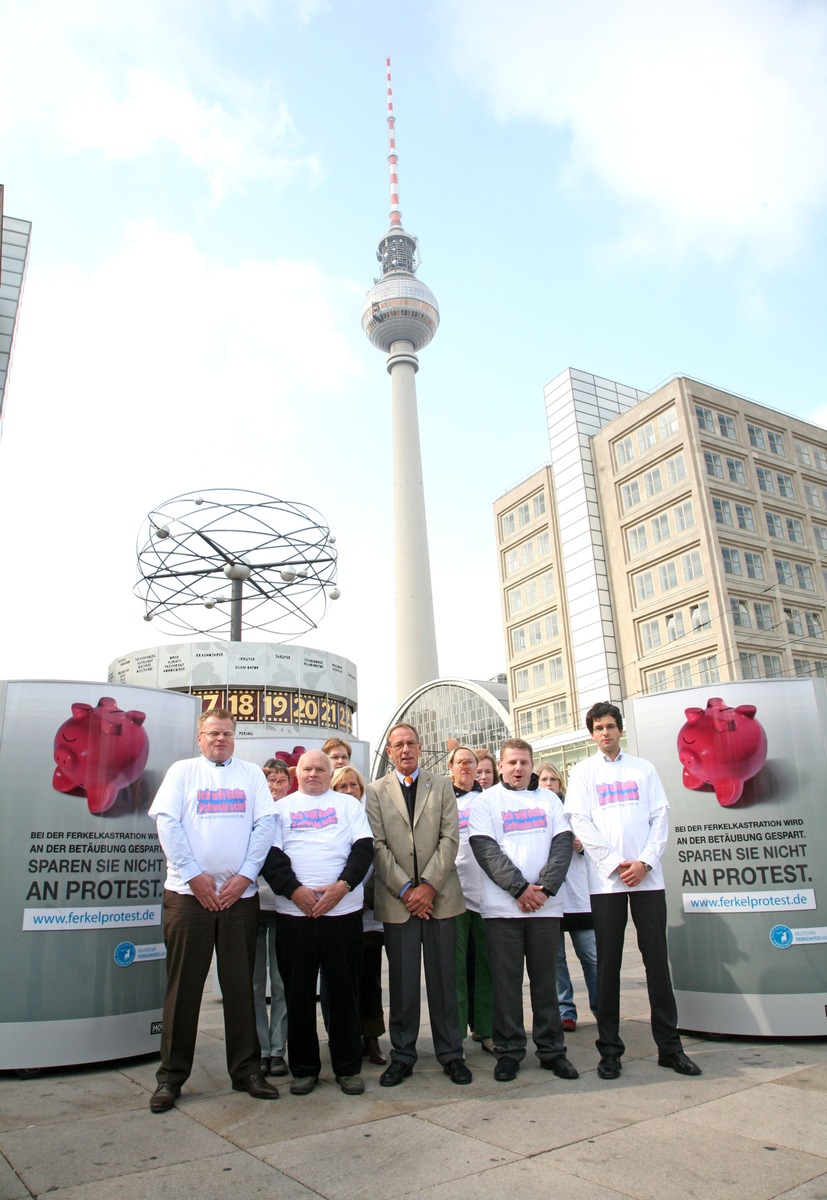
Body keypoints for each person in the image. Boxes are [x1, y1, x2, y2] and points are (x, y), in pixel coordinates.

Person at [147, 709, 280, 1113]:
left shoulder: (251, 775)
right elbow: (168, 824)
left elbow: (265, 826)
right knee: (183, 988)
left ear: (234, 737)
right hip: (189, 898)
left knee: (242, 987)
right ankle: (170, 1078)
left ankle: (246, 1071)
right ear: (199, 737)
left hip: (238, 898)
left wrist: (245, 877)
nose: (220, 739)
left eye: (227, 733)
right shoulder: (182, 772)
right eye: (212, 733)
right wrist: (194, 876)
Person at [566, 701, 702, 1080]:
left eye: (610, 726)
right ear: (591, 734)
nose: (605, 733)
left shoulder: (644, 769)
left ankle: (670, 1048)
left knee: (657, 962)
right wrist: (613, 864)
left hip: (648, 879)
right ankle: (610, 1052)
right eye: (598, 728)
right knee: (607, 966)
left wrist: (643, 862)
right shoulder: (583, 773)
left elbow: (660, 818)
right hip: (607, 883)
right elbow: (581, 821)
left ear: (620, 729)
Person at [261, 750, 374, 1096]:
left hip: (342, 916)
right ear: (298, 774)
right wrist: (296, 892)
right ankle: (304, 1068)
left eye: (320, 769)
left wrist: (340, 889)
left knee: (343, 994)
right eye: (307, 769)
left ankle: (347, 1067)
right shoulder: (279, 810)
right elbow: (271, 857)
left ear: (330, 773)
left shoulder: (348, 806)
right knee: (297, 995)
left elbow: (364, 850)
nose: (313, 774)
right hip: (295, 917)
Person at [365, 723, 471, 1087]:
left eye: (411, 743)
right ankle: (403, 1055)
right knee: (403, 984)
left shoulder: (441, 786)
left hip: (440, 899)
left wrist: (427, 886)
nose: (405, 749)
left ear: (421, 748)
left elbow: (449, 837)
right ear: (390, 752)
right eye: (398, 745)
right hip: (399, 903)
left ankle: (451, 1053)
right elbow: (377, 846)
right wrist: (407, 890)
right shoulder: (376, 791)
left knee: (444, 981)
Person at [469, 738, 577, 1083]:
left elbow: (562, 847)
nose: (518, 769)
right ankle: (509, 1051)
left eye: (524, 763)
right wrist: (519, 889)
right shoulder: (487, 802)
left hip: (546, 908)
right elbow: (486, 851)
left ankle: (551, 1051)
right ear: (500, 766)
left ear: (533, 766)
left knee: (546, 983)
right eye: (512, 763)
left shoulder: (550, 800)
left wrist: (542, 889)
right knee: (506, 985)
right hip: (503, 910)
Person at [332, 764, 387, 1066]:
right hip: (336, 911)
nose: (349, 791)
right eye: (342, 786)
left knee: (369, 979)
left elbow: (380, 859)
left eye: (354, 786)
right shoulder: (328, 818)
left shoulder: (371, 819)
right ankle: (346, 1036)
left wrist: (364, 895)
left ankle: (372, 1036)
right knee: (342, 980)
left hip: (367, 914)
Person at [538, 762, 597, 1034]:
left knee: (592, 956)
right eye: (544, 780)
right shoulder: (536, 813)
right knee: (555, 960)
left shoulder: (574, 812)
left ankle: (603, 1007)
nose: (548, 784)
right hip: (550, 900)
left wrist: (582, 845)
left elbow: (599, 844)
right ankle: (565, 1011)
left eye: (553, 779)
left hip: (579, 897)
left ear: (561, 784)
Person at [447, 745, 493, 1054]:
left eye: (470, 762)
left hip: (487, 892)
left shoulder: (489, 800)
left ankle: (487, 1029)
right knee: (454, 966)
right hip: (450, 893)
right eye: (460, 762)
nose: (465, 766)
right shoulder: (441, 799)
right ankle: (455, 1035)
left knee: (488, 964)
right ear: (450, 767)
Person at [254, 761, 290, 1078]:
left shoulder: (293, 815)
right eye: (271, 780)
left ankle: (278, 1050)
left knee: (281, 983)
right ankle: (259, 1049)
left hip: (283, 910)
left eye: (281, 780)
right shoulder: (251, 813)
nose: (276, 785)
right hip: (252, 908)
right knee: (253, 984)